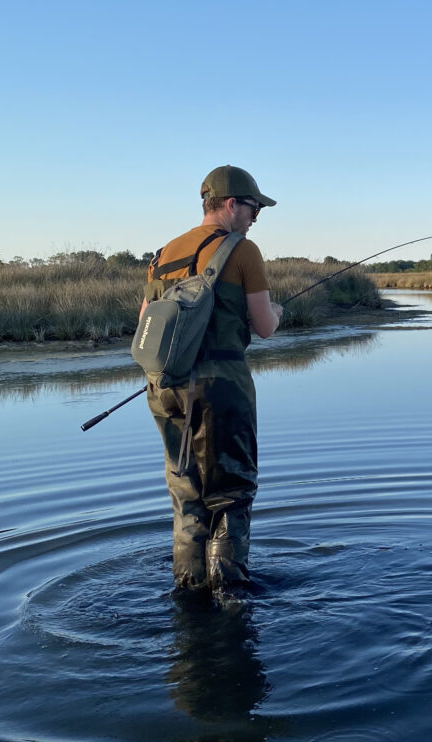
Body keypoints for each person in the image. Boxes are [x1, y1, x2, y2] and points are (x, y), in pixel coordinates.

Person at [140, 165, 283, 598]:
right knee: (232, 493)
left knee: (187, 495)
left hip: (164, 390)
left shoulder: (162, 255)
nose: (257, 216)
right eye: (254, 207)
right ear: (230, 204)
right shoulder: (243, 250)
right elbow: (264, 327)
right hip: (222, 389)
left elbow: (146, 327)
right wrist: (278, 311)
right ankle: (231, 599)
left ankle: (190, 593)